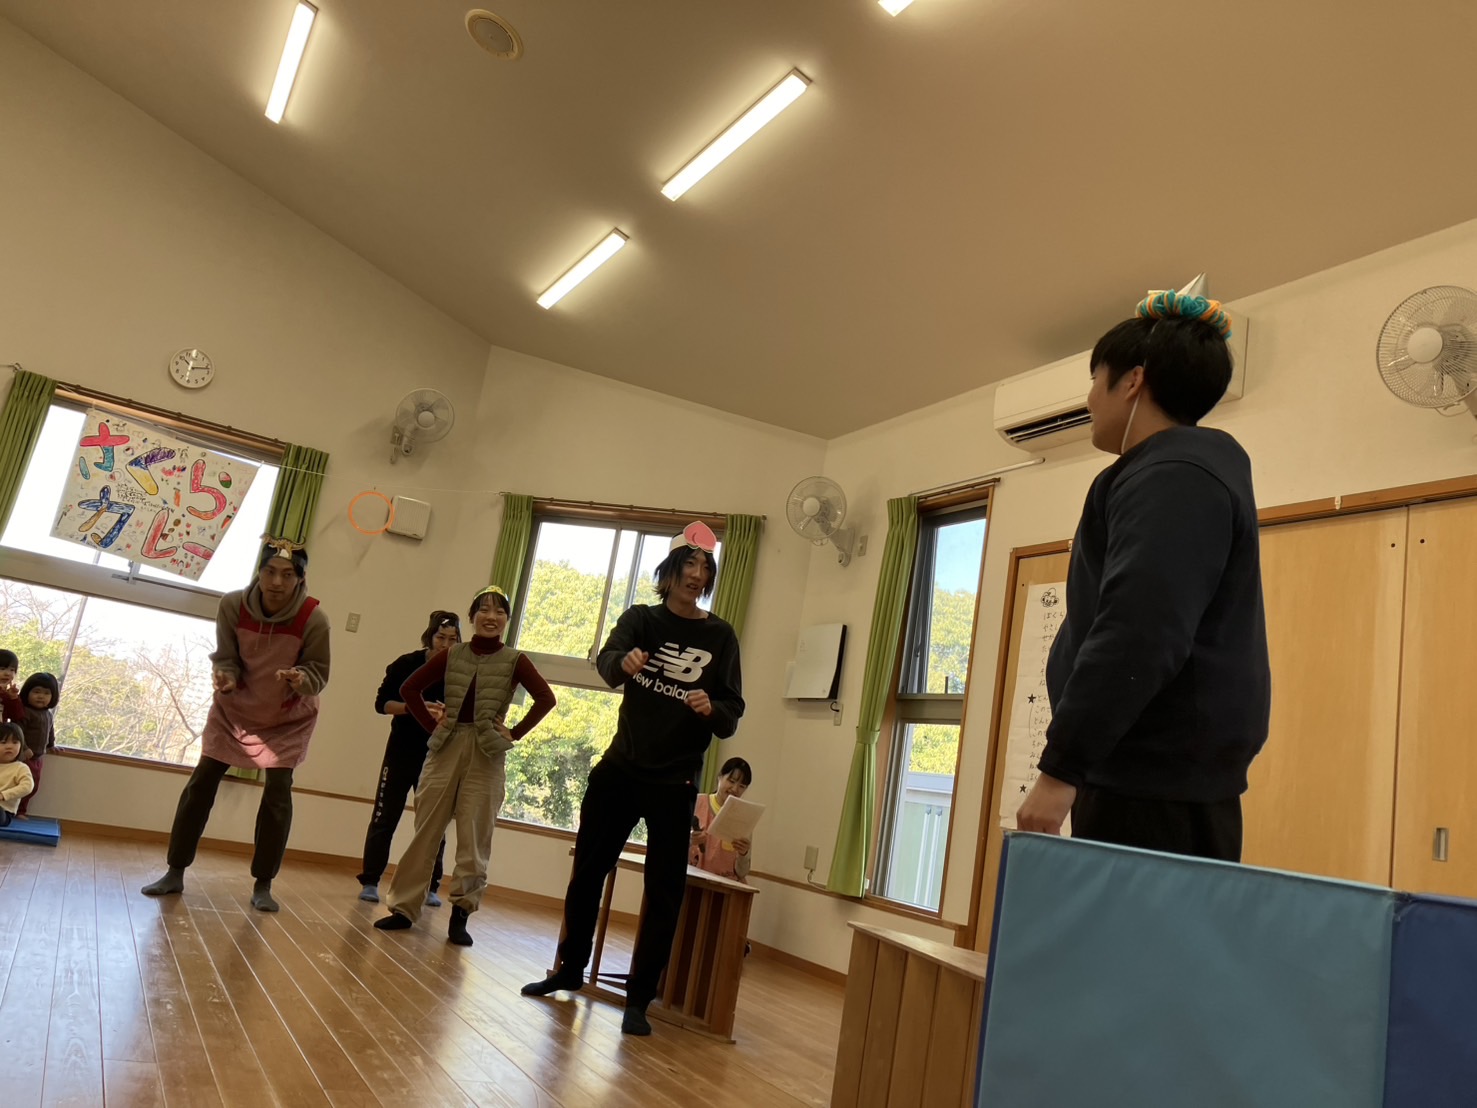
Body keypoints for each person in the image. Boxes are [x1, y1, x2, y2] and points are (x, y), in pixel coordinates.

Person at [1015, 290, 1271, 862]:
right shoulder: (1172, 472)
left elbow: (1140, 629)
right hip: (1147, 779)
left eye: (1094, 379)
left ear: (1132, 380)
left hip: (1150, 791)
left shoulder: (1175, 474)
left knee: (1130, 925)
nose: (1088, 398)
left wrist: (1060, 771)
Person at [522, 521, 745, 1036]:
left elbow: (732, 712)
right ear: (669, 572)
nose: (697, 574)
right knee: (587, 875)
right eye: (689, 564)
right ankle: (569, 970)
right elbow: (606, 666)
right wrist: (625, 661)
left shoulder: (720, 635)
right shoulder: (640, 619)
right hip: (621, 769)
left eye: (705, 567)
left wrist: (712, 707)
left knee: (664, 892)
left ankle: (639, 998)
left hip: (675, 783)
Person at [142, 539, 331, 911]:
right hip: (235, 711)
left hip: (287, 719)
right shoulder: (233, 605)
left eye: (287, 575)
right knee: (200, 785)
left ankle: (263, 883)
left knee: (278, 796)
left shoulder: (313, 618)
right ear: (259, 572)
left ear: (300, 578)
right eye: (270, 572)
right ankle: (175, 871)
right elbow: (226, 657)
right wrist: (226, 676)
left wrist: (300, 678)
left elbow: (318, 674)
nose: (276, 582)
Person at [373, 586, 556, 946]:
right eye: (483, 610)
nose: (491, 617)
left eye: (499, 611)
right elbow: (410, 689)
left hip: (487, 754)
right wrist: (432, 725)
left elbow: (546, 698)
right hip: (446, 748)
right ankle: (403, 909)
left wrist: (514, 732)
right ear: (472, 617)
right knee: (426, 831)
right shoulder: (453, 653)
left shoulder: (515, 659)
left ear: (506, 620)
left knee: (474, 839)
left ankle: (460, 915)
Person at [357, 609, 461, 906]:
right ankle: (370, 880)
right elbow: (382, 704)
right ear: (430, 637)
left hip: (438, 754)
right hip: (401, 750)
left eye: (452, 639)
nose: (446, 645)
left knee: (433, 822)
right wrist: (413, 707)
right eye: (440, 637)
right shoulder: (406, 664)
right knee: (385, 815)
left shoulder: (461, 672)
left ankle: (431, 886)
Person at [690, 756, 753, 881]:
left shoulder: (744, 818)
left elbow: (742, 872)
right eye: (731, 781)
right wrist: (690, 840)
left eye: (742, 786)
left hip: (725, 886)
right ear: (719, 777)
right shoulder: (697, 803)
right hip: (693, 880)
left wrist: (743, 853)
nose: (735, 789)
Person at [14, 672, 59, 817]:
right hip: (23, 757)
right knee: (19, 784)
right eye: (36, 692)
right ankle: (13, 810)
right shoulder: (25, 712)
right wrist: (24, 748)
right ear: (27, 693)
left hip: (38, 758)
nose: (41, 696)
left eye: (46, 693)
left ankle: (21, 810)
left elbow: (50, 731)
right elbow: (17, 731)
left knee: (33, 785)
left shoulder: (48, 714)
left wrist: (51, 745)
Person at [0, 723, 34, 828]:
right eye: (3, 742)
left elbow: (27, 786)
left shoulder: (20, 768)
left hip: (4, 812)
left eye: (15, 742)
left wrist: (3, 795)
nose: (9, 746)